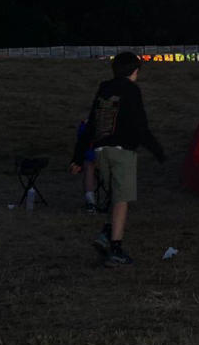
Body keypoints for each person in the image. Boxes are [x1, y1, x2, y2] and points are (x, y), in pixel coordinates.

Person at [70, 52, 166, 267]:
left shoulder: (104, 89)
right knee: (122, 200)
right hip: (122, 151)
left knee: (116, 195)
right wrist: (156, 149)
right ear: (134, 71)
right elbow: (140, 125)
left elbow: (92, 124)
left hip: (101, 151)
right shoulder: (131, 90)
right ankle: (115, 248)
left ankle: (106, 232)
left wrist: (78, 157)